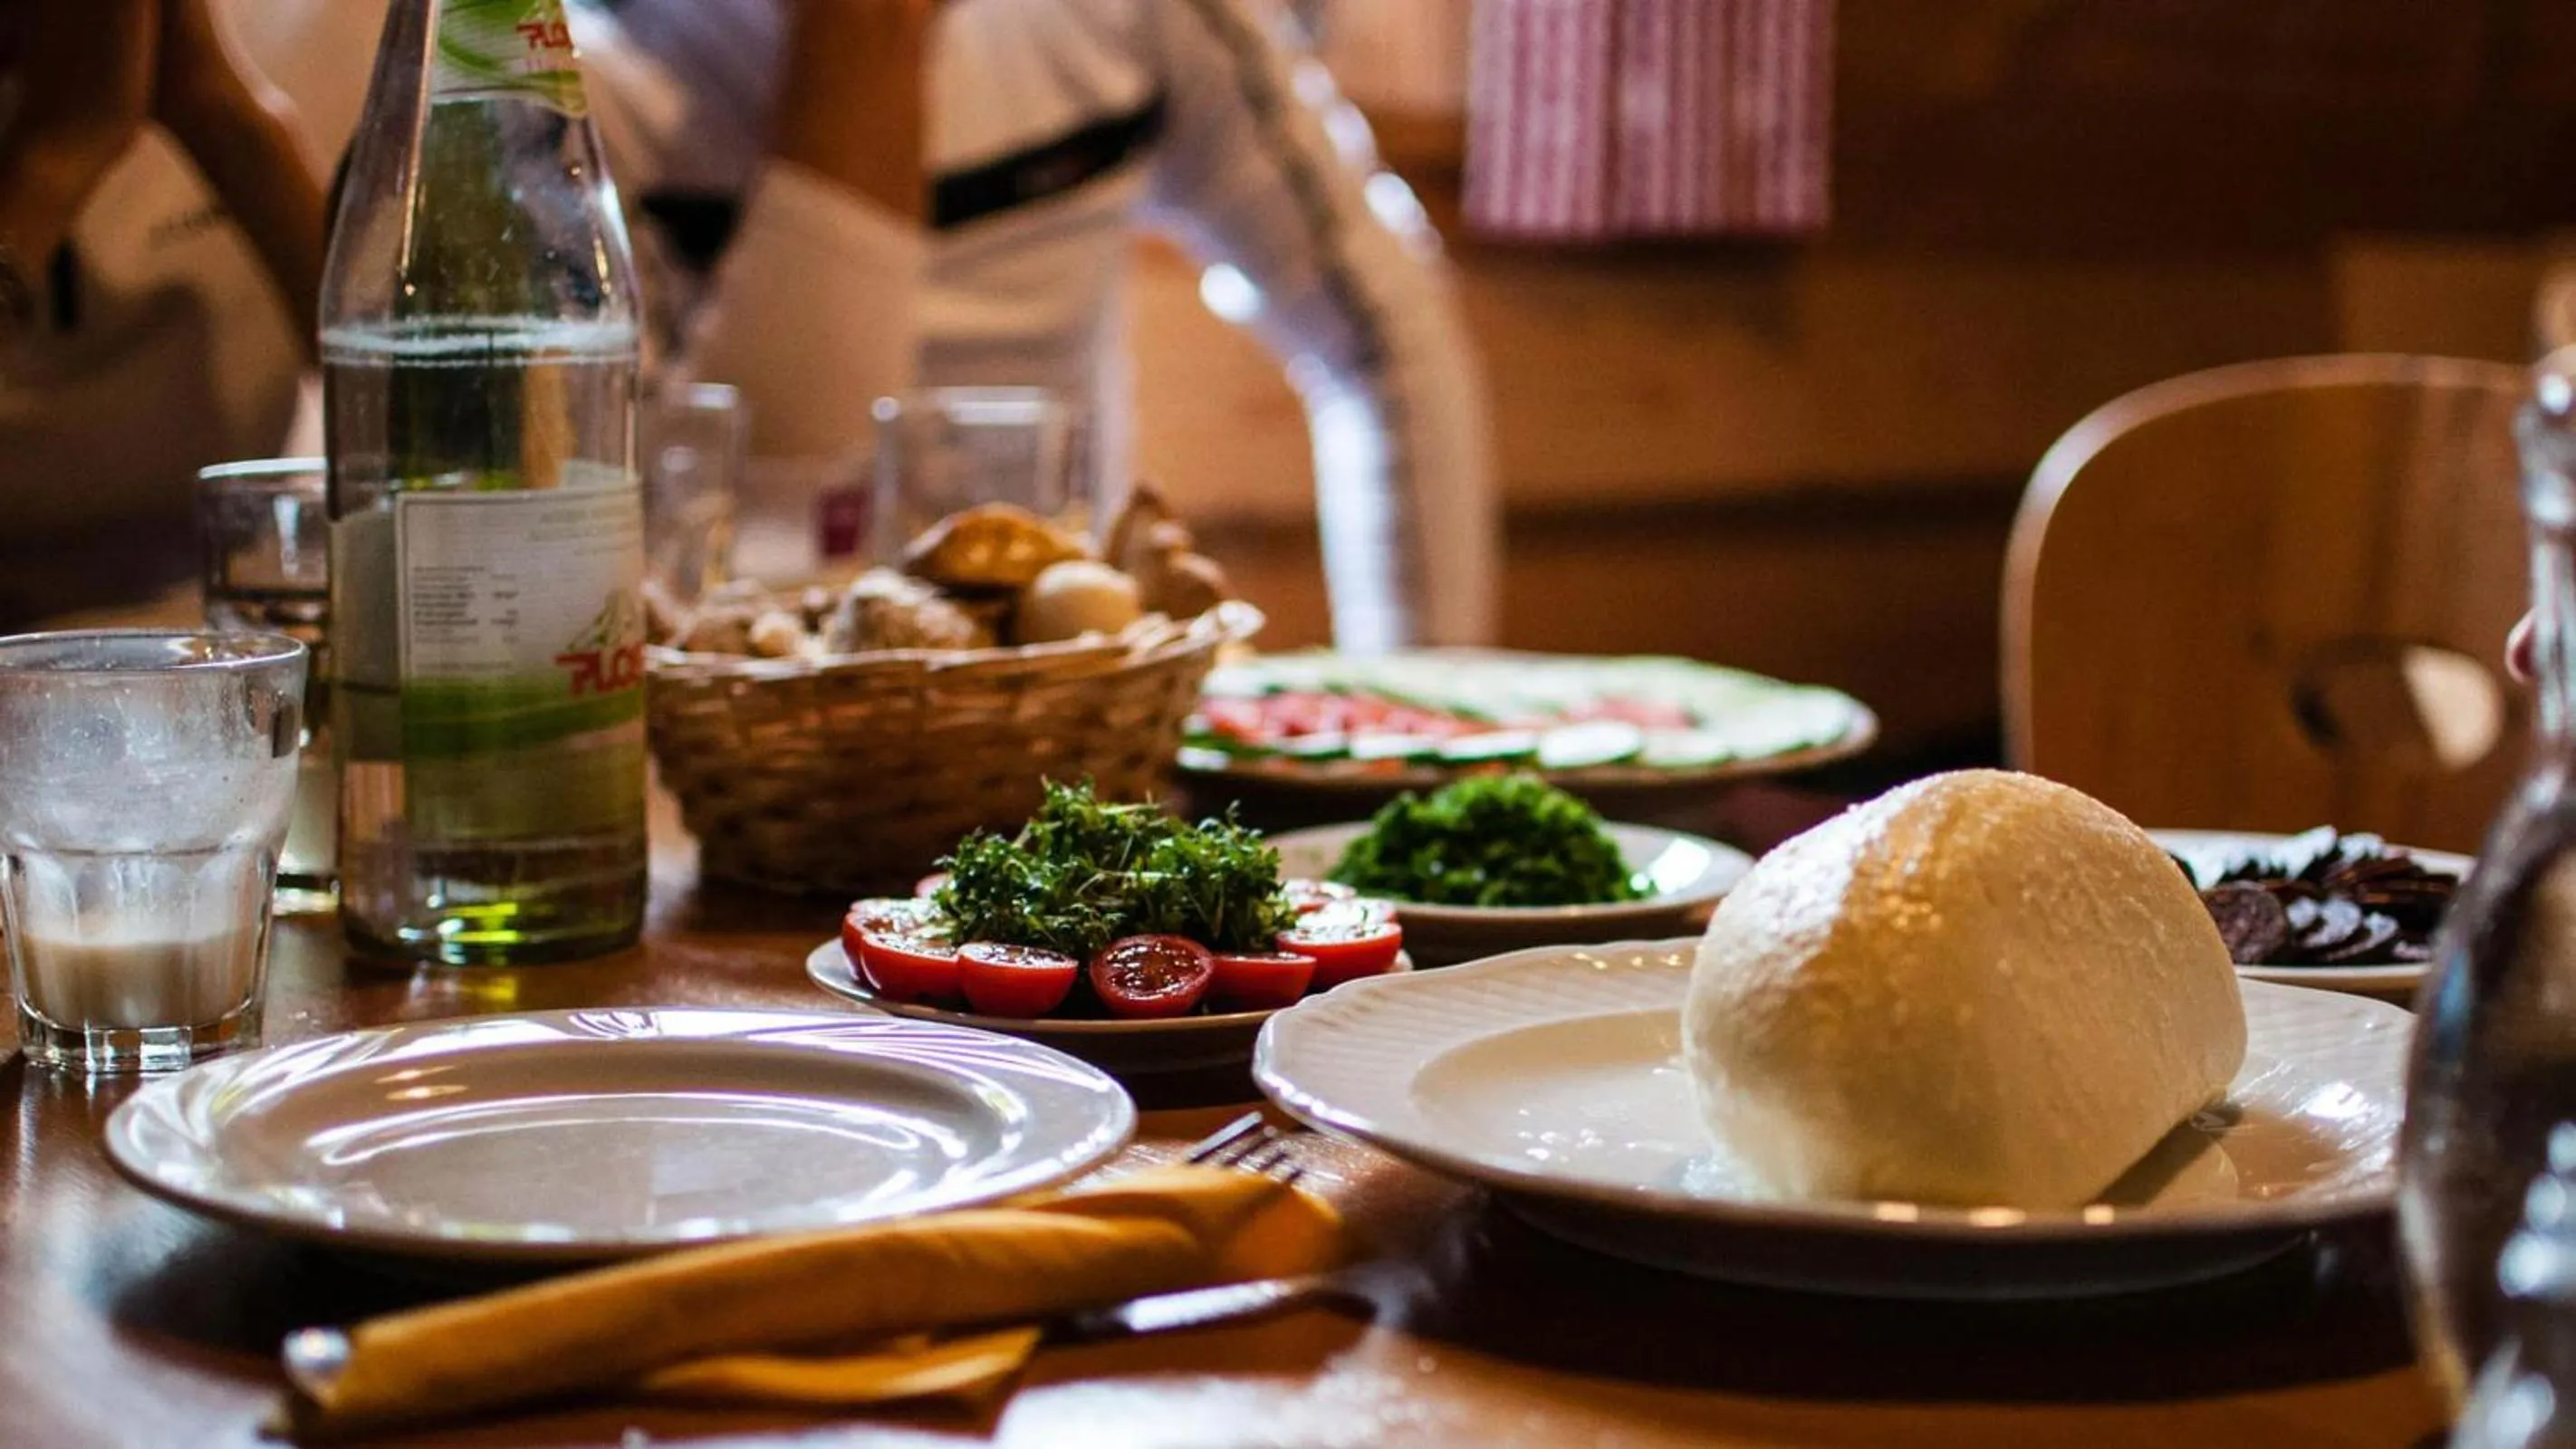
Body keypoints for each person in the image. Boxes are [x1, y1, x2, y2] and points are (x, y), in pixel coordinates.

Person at [0, 0, 1496, 651]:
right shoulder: (593, 58)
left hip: (1065, 676)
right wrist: (860, 48)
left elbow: (1378, 331)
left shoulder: (1145, 17)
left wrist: (1433, 704)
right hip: (741, 719)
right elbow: (751, 502)